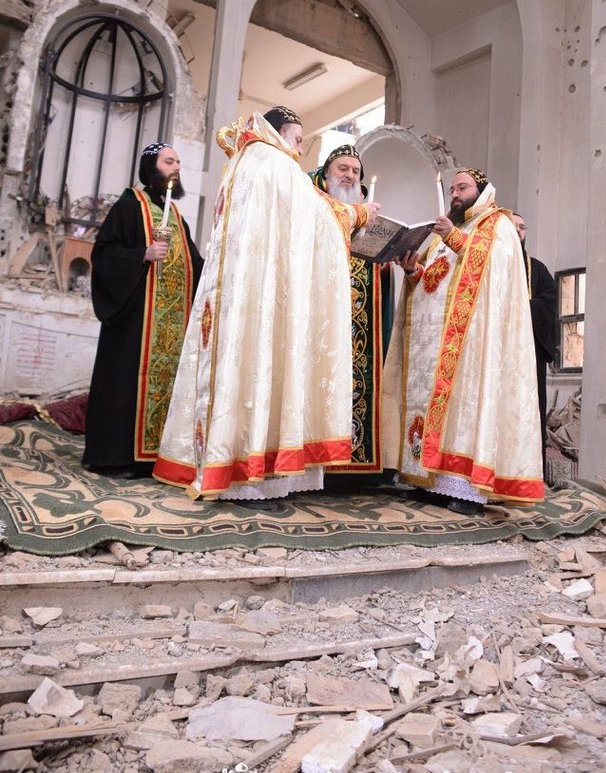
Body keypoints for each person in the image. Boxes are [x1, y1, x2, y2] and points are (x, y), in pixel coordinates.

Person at [153, 108, 380, 501]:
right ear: (282, 134)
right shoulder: (275, 163)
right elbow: (314, 218)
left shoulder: (245, 161)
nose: (298, 149)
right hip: (262, 294)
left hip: (244, 289)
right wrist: (357, 212)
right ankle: (245, 471)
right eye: (297, 138)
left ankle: (217, 460)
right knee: (259, 367)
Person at [382, 169, 544, 516]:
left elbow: (492, 268)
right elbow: (433, 281)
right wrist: (413, 272)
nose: (455, 193)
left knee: (467, 412)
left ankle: (468, 491)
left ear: (482, 190)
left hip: (473, 345)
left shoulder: (496, 224)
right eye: (452, 188)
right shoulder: (442, 235)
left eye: (462, 187)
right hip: (434, 345)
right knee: (436, 412)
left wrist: (454, 237)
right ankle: (431, 484)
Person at [83, 143, 203, 479]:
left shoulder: (176, 216)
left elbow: (194, 264)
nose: (176, 166)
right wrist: (142, 254)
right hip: (135, 320)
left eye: (179, 161)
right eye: (169, 161)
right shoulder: (128, 206)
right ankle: (114, 457)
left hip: (169, 326)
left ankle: (152, 458)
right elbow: (104, 254)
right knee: (124, 382)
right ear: (152, 167)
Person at [310, 145, 393, 479]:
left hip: (361, 320)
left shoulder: (369, 216)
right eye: (343, 168)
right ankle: (317, 464)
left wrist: (387, 270)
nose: (350, 175)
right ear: (326, 173)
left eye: (356, 171)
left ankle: (357, 468)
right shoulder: (314, 202)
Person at [512, 213, 557, 480]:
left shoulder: (537, 269)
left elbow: (549, 302)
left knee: (531, 412)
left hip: (530, 350)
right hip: (499, 353)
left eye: (522, 227)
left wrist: (518, 307)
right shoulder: (492, 265)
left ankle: (530, 476)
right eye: (513, 226)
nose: (519, 231)